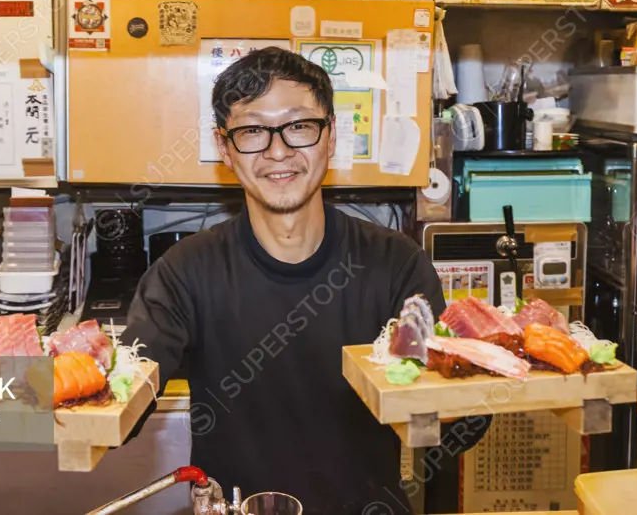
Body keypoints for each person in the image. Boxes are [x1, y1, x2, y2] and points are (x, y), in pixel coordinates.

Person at [122, 47, 489, 515]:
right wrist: (14, 394)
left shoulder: (394, 262)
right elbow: (122, 397)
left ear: (331, 136)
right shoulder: (184, 271)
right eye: (252, 130)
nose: (278, 151)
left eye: (299, 126)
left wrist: (467, 384)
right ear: (224, 147)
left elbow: (458, 431)